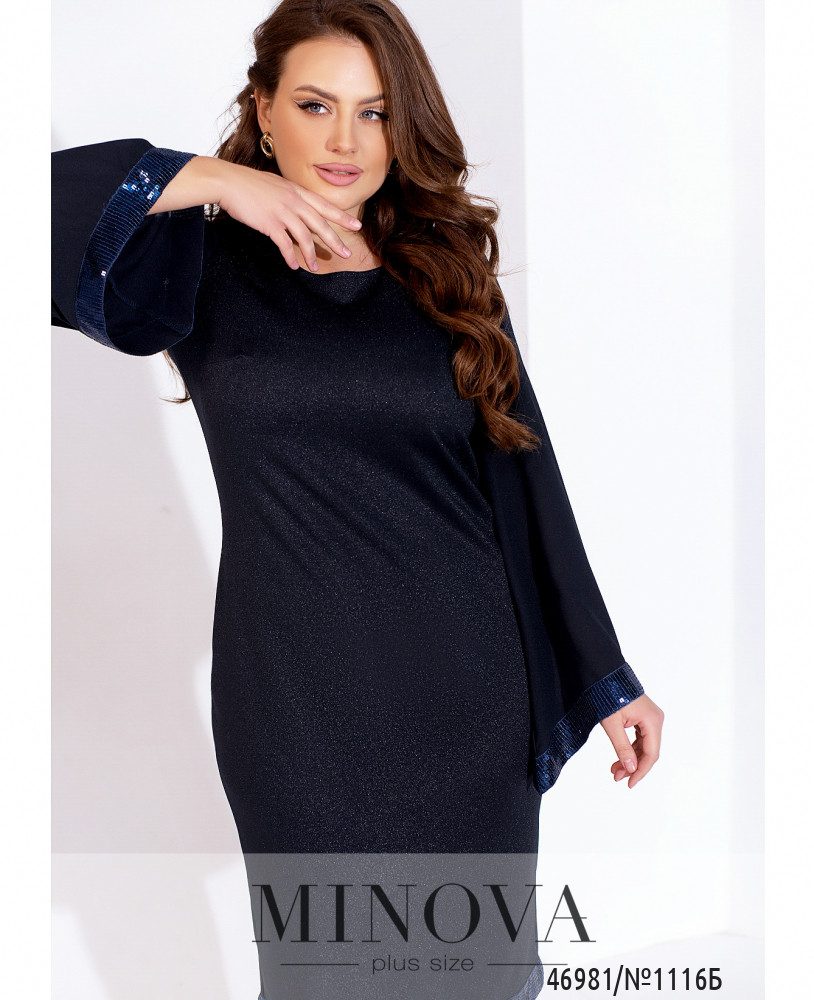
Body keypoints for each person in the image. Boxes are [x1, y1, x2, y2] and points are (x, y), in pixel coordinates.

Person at [51, 1, 664, 998]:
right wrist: (211, 180)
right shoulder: (196, 262)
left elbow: (526, 476)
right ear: (262, 110)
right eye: (314, 105)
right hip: (295, 709)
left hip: (470, 697)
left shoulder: (445, 272)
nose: (345, 140)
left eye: (374, 112)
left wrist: (605, 671)